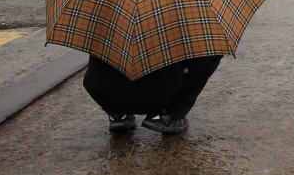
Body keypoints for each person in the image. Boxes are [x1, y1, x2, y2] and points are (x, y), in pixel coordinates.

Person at [83, 54, 223, 134]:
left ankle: (118, 113)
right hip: (155, 95)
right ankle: (167, 115)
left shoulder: (101, 4)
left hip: (104, 94)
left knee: (103, 41)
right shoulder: (173, 8)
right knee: (212, 50)